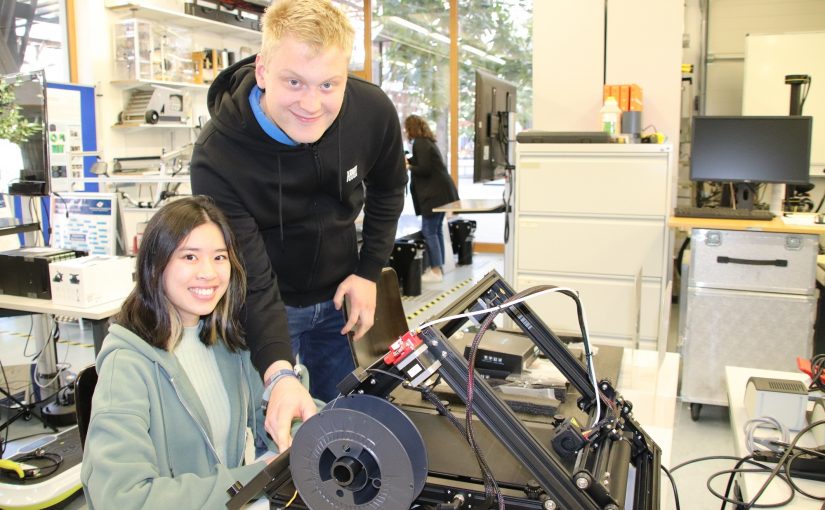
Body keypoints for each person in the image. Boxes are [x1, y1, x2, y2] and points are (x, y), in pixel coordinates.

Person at [190, 0, 407, 429]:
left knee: (348, 426)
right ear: (263, 71)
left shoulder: (371, 112)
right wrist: (280, 372)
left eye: (329, 85)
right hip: (265, 303)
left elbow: (390, 188)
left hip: (340, 299)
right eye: (294, 82)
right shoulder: (218, 156)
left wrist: (368, 271)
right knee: (270, 437)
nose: (312, 104)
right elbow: (249, 272)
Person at [81, 196, 284, 508]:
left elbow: (271, 415)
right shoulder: (128, 364)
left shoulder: (227, 340)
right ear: (155, 265)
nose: (209, 273)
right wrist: (253, 478)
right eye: (190, 257)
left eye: (220, 257)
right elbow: (121, 498)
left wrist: (297, 422)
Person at [404, 114, 459, 283]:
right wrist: (410, 161)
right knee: (435, 231)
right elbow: (425, 162)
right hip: (442, 192)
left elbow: (424, 169)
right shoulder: (427, 142)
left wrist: (408, 166)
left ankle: (435, 271)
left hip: (434, 195)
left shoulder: (419, 143)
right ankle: (439, 268)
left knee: (429, 231)